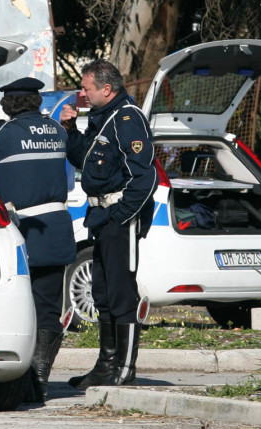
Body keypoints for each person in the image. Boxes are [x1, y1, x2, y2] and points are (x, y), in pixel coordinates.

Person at [0, 77, 76, 402]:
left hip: (23, 231)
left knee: (15, 305)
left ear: (8, 105)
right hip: (57, 230)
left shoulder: (0, 134)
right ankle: (38, 383)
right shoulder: (57, 131)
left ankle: (23, 380)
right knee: (47, 308)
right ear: (36, 103)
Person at [60, 60, 158, 389]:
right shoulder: (103, 118)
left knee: (120, 293)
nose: (82, 93)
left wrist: (121, 216)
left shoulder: (127, 118)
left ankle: (125, 368)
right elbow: (86, 160)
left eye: (86, 87)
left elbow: (145, 177)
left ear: (106, 88)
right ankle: (106, 365)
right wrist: (71, 131)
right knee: (101, 292)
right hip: (101, 218)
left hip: (119, 219)